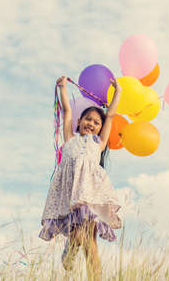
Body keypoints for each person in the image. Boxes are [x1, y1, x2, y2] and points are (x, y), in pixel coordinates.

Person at [39, 76, 122, 280]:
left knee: (90, 241)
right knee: (82, 237)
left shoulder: (99, 144)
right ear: (79, 122)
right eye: (88, 119)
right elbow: (67, 111)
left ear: (100, 128)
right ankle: (71, 250)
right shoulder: (70, 139)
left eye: (96, 122)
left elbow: (110, 116)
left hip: (91, 195)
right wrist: (62, 89)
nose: (91, 124)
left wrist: (117, 91)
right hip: (71, 196)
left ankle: (81, 263)